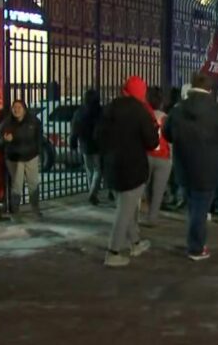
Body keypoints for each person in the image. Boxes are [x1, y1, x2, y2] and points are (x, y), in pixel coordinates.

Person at [164, 73, 218, 261]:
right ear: (210, 90)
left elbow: (166, 134)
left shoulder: (178, 110)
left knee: (194, 206)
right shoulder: (217, 112)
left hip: (183, 166)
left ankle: (194, 240)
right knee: (200, 209)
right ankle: (196, 247)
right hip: (208, 167)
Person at [100, 76, 159, 267]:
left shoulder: (109, 108)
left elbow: (97, 135)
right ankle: (113, 251)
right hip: (133, 167)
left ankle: (135, 243)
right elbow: (152, 141)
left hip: (111, 165)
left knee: (127, 205)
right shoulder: (139, 111)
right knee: (125, 211)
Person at [0, 99, 43, 220]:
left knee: (33, 184)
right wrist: (5, 140)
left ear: (24, 109)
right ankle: (15, 210)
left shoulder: (33, 121)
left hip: (31, 157)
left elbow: (39, 139)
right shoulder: (6, 123)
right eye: (14, 108)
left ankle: (35, 208)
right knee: (17, 185)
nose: (16, 110)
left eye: (19, 107)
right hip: (14, 158)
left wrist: (39, 153)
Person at [141, 87, 172, 226]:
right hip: (163, 157)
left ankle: (138, 215)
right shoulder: (166, 118)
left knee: (144, 188)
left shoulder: (144, 115)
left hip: (146, 155)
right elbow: (170, 139)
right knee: (158, 190)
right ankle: (152, 218)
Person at [70, 89, 104, 206]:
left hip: (84, 144)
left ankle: (92, 192)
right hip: (97, 145)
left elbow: (74, 129)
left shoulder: (79, 112)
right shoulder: (100, 111)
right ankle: (92, 193)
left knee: (89, 170)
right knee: (98, 170)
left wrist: (73, 143)